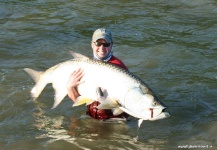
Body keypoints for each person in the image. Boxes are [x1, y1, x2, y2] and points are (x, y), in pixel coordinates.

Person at [66, 28, 129, 120]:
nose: (102, 48)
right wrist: (70, 87)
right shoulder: (85, 67)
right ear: (92, 45)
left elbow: (126, 104)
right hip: (92, 117)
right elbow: (77, 100)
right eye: (98, 44)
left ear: (111, 45)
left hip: (116, 120)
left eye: (106, 44)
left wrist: (106, 102)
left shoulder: (119, 68)